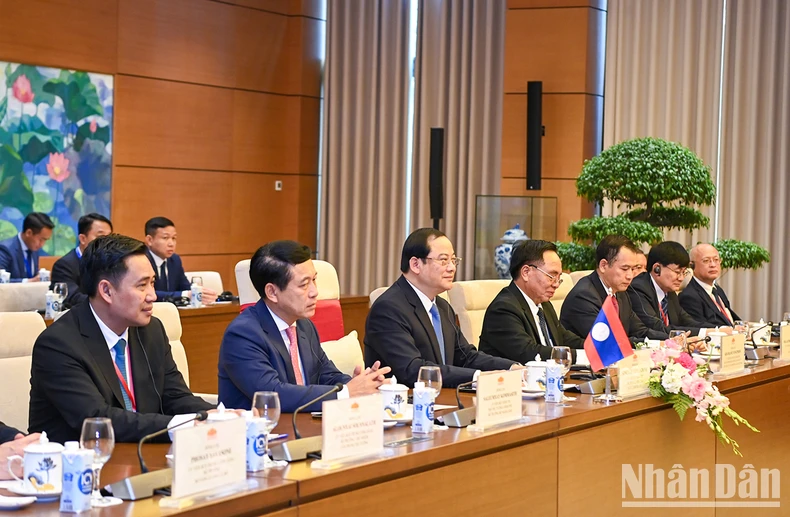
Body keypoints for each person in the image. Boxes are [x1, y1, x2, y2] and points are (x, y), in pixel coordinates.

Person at [28, 234, 215, 444]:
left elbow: (175, 396)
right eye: (142, 285)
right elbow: (97, 419)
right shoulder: (59, 344)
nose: (152, 295)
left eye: (153, 283)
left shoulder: (151, 330)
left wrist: (216, 416)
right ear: (107, 291)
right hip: (80, 465)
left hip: (142, 455)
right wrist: (178, 427)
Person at [218, 241, 390, 412]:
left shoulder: (303, 326)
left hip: (303, 428)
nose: (315, 292)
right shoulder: (243, 334)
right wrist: (346, 393)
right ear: (272, 292)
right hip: (259, 434)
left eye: (314, 280)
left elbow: (326, 374)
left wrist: (364, 384)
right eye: (304, 284)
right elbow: (274, 394)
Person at [365, 228, 522, 387]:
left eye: (453, 260)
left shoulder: (442, 306)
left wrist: (511, 367)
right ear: (415, 264)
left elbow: (465, 356)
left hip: (442, 398)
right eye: (443, 260)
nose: (452, 268)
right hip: (405, 404)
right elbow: (412, 370)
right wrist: (477, 377)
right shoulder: (388, 309)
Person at [479, 240, 583, 364]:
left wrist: (596, 349)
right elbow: (528, 353)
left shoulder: (544, 304)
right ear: (526, 272)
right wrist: (583, 356)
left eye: (559, 278)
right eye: (551, 276)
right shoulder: (503, 309)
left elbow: (563, 337)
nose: (556, 284)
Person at [560, 235, 668, 344]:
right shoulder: (584, 296)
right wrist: (655, 343)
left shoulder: (620, 293)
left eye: (633, 269)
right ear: (603, 266)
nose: (630, 276)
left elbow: (639, 330)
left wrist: (669, 339)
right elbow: (608, 341)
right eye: (625, 269)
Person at [627, 241, 708, 335]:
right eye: (677, 272)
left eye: (684, 273)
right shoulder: (638, 288)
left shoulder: (669, 292)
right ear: (657, 269)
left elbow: (687, 321)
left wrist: (717, 330)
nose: (681, 278)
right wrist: (704, 332)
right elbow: (656, 326)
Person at [144, 217, 218, 304]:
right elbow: (147, 293)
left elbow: (185, 287)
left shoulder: (174, 260)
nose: (171, 243)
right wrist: (185, 294)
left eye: (174, 238)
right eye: (165, 238)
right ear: (149, 240)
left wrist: (200, 293)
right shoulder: (142, 261)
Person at [50, 213, 113, 308]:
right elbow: (73, 297)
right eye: (101, 237)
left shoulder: (112, 262)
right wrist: (107, 303)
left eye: (109, 237)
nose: (107, 242)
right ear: (83, 239)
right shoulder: (64, 265)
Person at [679, 244, 741, 327]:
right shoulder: (689, 297)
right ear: (692, 265)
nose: (713, 265)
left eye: (716, 260)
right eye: (706, 261)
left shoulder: (717, 290)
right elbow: (699, 328)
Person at [0, 212, 54, 282]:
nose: (42, 244)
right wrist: (28, 281)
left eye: (45, 240)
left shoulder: (34, 249)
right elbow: (1, 280)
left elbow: (33, 274)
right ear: (29, 233)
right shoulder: (6, 249)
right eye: (41, 239)